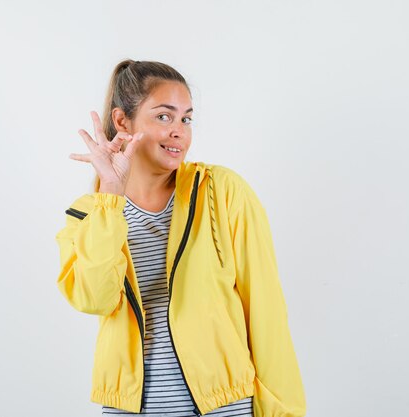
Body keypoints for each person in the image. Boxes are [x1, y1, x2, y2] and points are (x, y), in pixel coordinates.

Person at [54, 59, 306, 417]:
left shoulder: (222, 192)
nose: (179, 131)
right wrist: (110, 193)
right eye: (163, 116)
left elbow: (266, 312)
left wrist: (285, 412)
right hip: (130, 410)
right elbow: (95, 299)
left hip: (224, 407)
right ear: (122, 121)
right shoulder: (88, 214)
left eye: (186, 118)